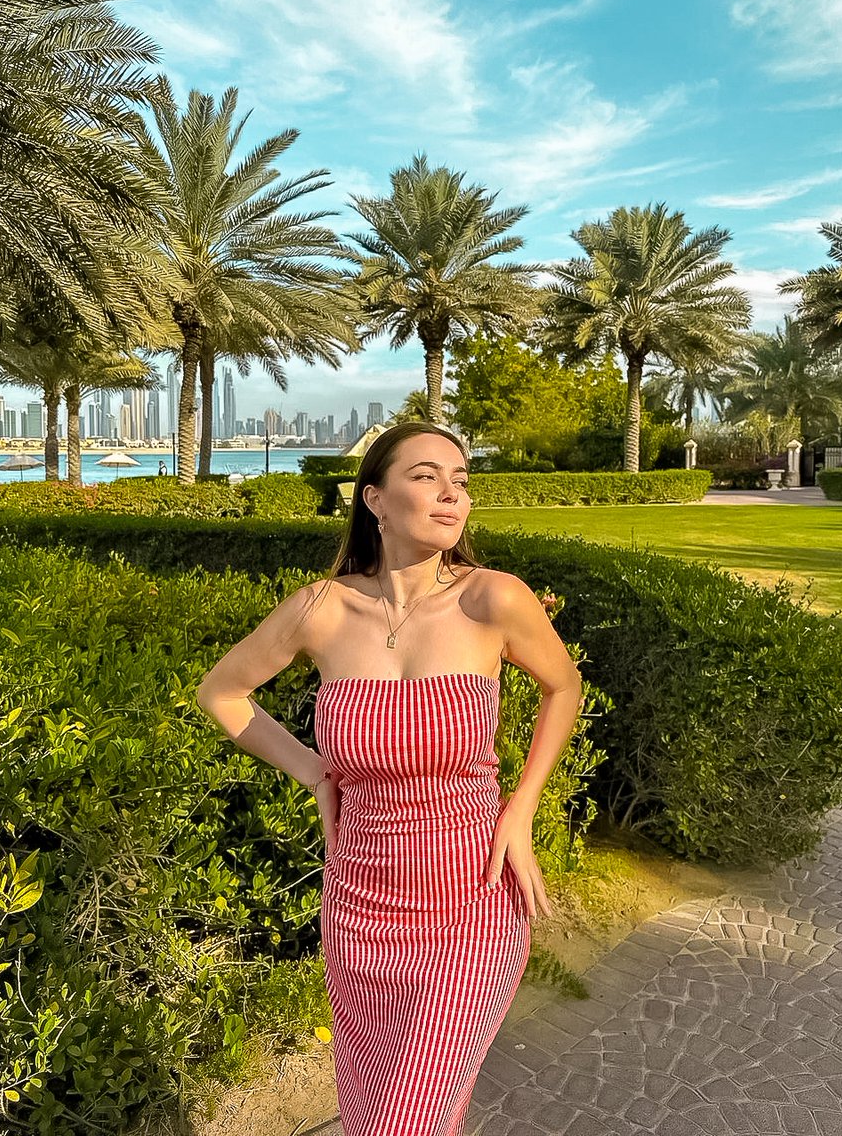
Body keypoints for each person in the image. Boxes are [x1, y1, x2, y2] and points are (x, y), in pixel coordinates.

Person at [196, 420, 584, 1135]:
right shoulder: (320, 608)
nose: (451, 495)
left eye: (461, 480)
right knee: (377, 1109)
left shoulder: (491, 599)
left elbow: (564, 687)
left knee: (404, 1120)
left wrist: (521, 807)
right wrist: (313, 770)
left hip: (470, 899)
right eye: (426, 476)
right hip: (359, 907)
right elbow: (221, 693)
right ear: (373, 498)